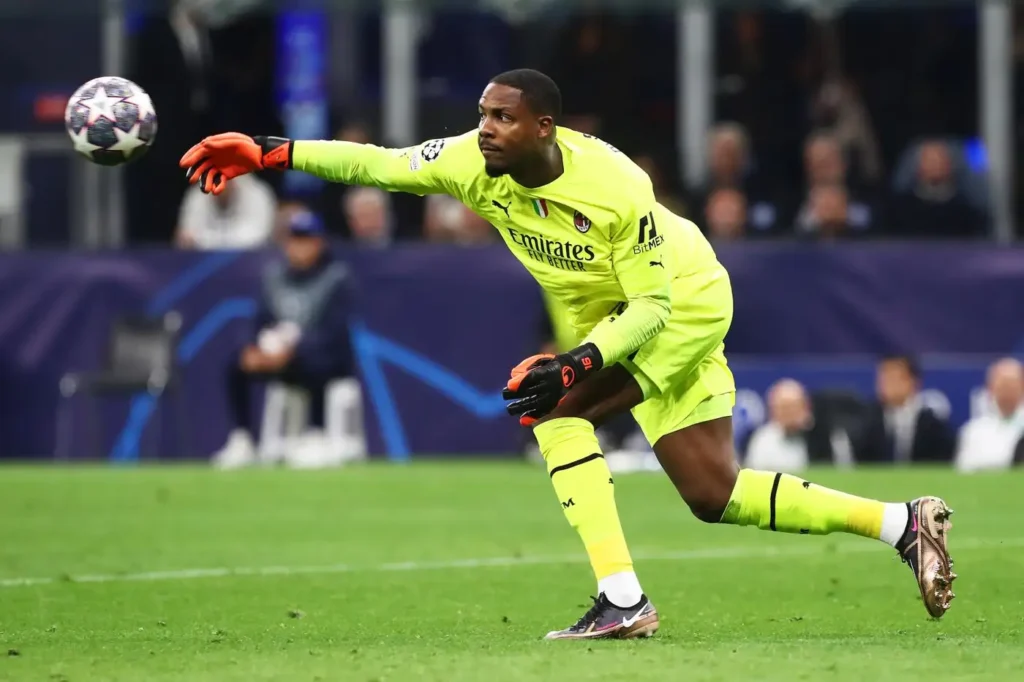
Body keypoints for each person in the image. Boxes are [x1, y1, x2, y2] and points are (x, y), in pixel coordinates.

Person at [179, 69, 956, 639]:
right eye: (483, 115)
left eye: (503, 118)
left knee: (551, 409)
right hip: (619, 318)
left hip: (682, 302)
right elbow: (375, 163)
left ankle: (622, 599)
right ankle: (902, 523)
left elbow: (653, 306)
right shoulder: (469, 163)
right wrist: (268, 153)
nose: (485, 130)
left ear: (544, 128)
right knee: (714, 493)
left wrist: (577, 363)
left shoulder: (616, 185)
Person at [212, 210, 356, 469]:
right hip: (279, 357)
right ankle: (242, 438)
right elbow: (259, 319)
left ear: (319, 243)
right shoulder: (275, 277)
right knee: (236, 364)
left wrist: (293, 350)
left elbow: (334, 332)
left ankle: (316, 434)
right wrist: (253, 348)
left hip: (325, 359)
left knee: (314, 362)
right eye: (295, 239)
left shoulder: (336, 278)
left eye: (306, 240)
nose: (300, 247)